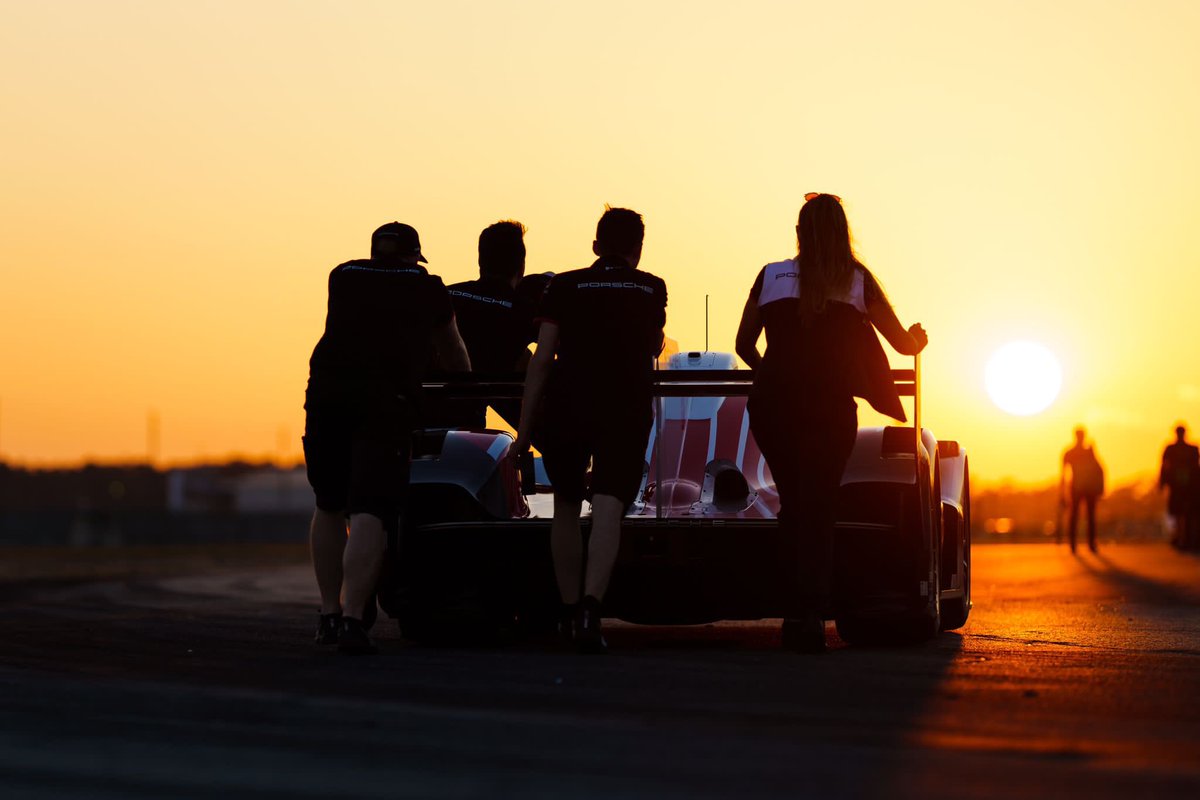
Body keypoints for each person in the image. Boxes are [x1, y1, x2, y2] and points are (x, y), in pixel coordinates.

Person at [734, 193, 927, 653]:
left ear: (798, 234)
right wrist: (919, 338)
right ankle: (810, 615)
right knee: (819, 508)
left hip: (773, 407)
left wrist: (774, 376)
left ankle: (792, 610)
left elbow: (743, 343)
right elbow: (902, 345)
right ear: (843, 234)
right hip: (828, 410)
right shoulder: (857, 281)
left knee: (793, 505)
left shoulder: (770, 275)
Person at [304, 222, 471, 655]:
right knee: (370, 510)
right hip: (385, 403)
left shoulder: (342, 275)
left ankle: (328, 614)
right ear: (415, 256)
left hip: (326, 395)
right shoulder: (427, 285)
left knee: (328, 503)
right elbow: (454, 352)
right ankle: (352, 620)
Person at [512, 207, 667, 654]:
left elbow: (543, 358)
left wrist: (524, 430)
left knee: (564, 504)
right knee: (608, 507)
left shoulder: (562, 285)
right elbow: (654, 343)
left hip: (568, 404)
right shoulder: (651, 286)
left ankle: (566, 610)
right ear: (638, 249)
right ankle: (590, 611)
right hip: (625, 408)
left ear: (596, 246)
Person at [1060, 426, 1105, 554]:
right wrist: (1062, 493)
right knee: (1075, 516)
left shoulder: (1089, 452)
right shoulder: (1070, 453)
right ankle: (1074, 544)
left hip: (1089, 488)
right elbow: (1063, 474)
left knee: (1089, 517)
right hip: (1076, 488)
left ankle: (1089, 543)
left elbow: (1098, 469)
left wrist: (1100, 488)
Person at [1159, 425, 1199, 549]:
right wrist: (1162, 481)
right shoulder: (1183, 449)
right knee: (1179, 512)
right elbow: (1164, 466)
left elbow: (1196, 467)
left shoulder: (1190, 449)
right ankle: (1181, 536)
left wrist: (1162, 482)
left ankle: (1184, 537)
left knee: (1185, 512)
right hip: (1179, 486)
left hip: (1187, 487)